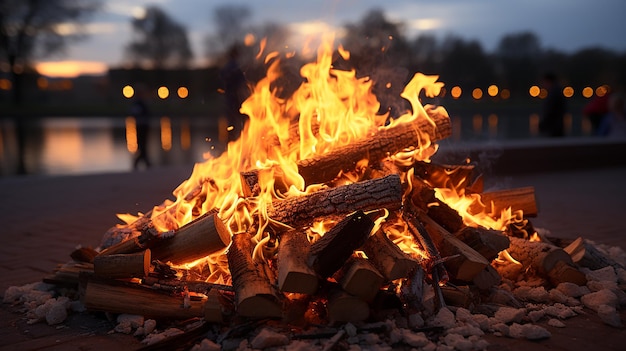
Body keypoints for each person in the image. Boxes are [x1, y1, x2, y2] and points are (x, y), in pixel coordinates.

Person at [219, 45, 249, 141]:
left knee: (231, 123)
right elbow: (242, 82)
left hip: (229, 99)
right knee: (242, 123)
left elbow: (222, 80)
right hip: (236, 99)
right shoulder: (236, 67)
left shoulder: (227, 67)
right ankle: (240, 143)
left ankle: (231, 144)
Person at [539, 72, 567, 137]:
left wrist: (543, 125)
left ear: (548, 81)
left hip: (554, 128)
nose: (543, 85)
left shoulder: (554, 94)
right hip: (556, 126)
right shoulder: (557, 92)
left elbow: (550, 111)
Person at [131, 85, 151, 170]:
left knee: (143, 145)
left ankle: (144, 163)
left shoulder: (142, 103)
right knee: (142, 145)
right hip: (140, 126)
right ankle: (143, 163)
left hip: (144, 126)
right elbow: (135, 113)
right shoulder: (138, 103)